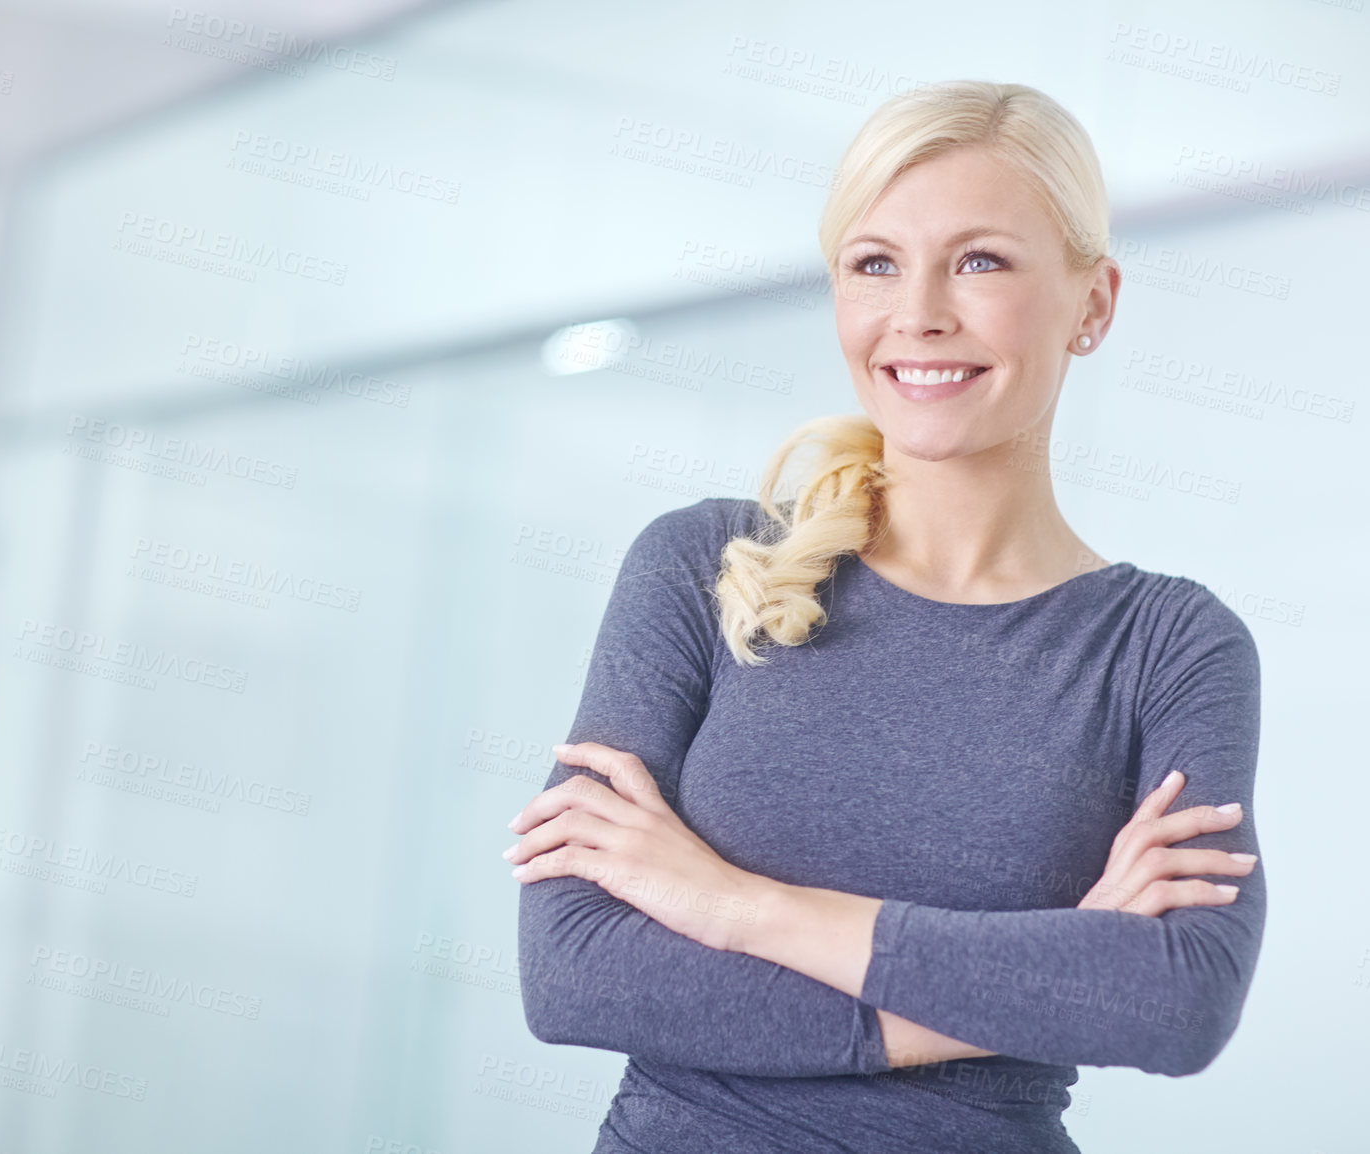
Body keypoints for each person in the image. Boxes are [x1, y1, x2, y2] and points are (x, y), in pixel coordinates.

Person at [506, 79, 1265, 1154]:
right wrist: (1049, 967)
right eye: (874, 263)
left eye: (980, 260)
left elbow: (1171, 1002)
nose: (919, 313)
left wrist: (730, 904)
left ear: (1092, 303)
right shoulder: (705, 566)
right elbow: (575, 968)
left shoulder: (1168, 647)